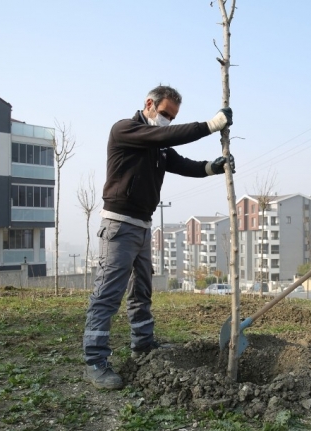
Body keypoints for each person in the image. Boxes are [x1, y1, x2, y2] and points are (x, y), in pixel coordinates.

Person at [83, 85, 234, 389]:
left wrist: (211, 168)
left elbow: (181, 164)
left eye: (173, 116)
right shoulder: (126, 130)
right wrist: (211, 125)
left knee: (142, 290)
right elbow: (166, 135)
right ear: (149, 104)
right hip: (118, 225)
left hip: (142, 225)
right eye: (165, 114)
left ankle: (143, 343)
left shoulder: (159, 145)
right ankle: (95, 361)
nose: (167, 120)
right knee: (108, 295)